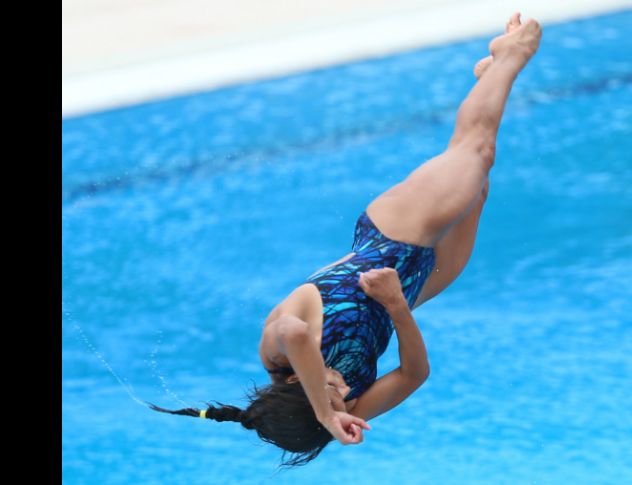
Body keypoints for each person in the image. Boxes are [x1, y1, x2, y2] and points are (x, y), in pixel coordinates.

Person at [149, 12, 542, 468]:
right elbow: (414, 374)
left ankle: (509, 55)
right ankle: (489, 79)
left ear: (296, 384)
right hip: (417, 284)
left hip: (391, 235)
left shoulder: (276, 354)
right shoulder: (343, 408)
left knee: (476, 150)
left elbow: (296, 332)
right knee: (479, 181)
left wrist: (324, 407)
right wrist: (396, 306)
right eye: (337, 403)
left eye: (331, 397)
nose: (343, 394)